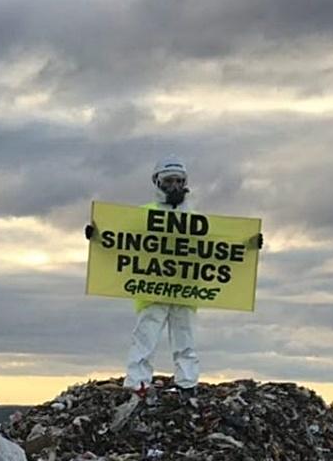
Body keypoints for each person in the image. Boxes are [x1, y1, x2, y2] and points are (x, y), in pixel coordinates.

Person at [86, 156, 260, 397]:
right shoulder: (144, 215)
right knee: (145, 339)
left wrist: (248, 245)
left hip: (185, 290)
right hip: (151, 289)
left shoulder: (195, 219)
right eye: (169, 180)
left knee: (185, 339)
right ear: (157, 182)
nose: (175, 186)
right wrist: (98, 235)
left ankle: (187, 382)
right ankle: (137, 383)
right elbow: (122, 241)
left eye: (179, 180)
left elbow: (218, 248)